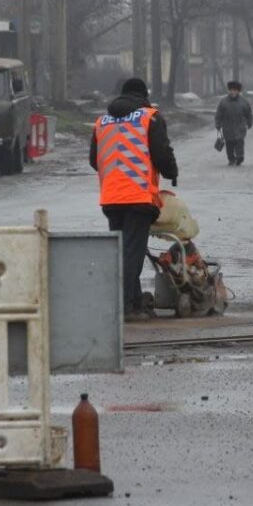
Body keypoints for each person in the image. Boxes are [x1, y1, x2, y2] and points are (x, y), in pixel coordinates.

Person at [90, 77, 179, 322]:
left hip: (110, 198)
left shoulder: (102, 122)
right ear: (143, 95)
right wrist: (172, 172)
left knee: (122, 251)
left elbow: (93, 160)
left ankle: (134, 301)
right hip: (138, 196)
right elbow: (162, 153)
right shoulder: (149, 117)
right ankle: (126, 306)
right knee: (133, 253)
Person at [215, 80, 253, 166]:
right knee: (229, 144)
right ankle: (231, 159)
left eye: (235, 90)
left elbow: (248, 113)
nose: (233, 92)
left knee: (240, 142)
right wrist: (218, 124)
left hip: (240, 126)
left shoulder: (244, 102)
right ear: (229, 90)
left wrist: (250, 122)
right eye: (231, 90)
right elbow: (219, 114)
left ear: (238, 91)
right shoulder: (223, 102)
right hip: (227, 127)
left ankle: (240, 157)